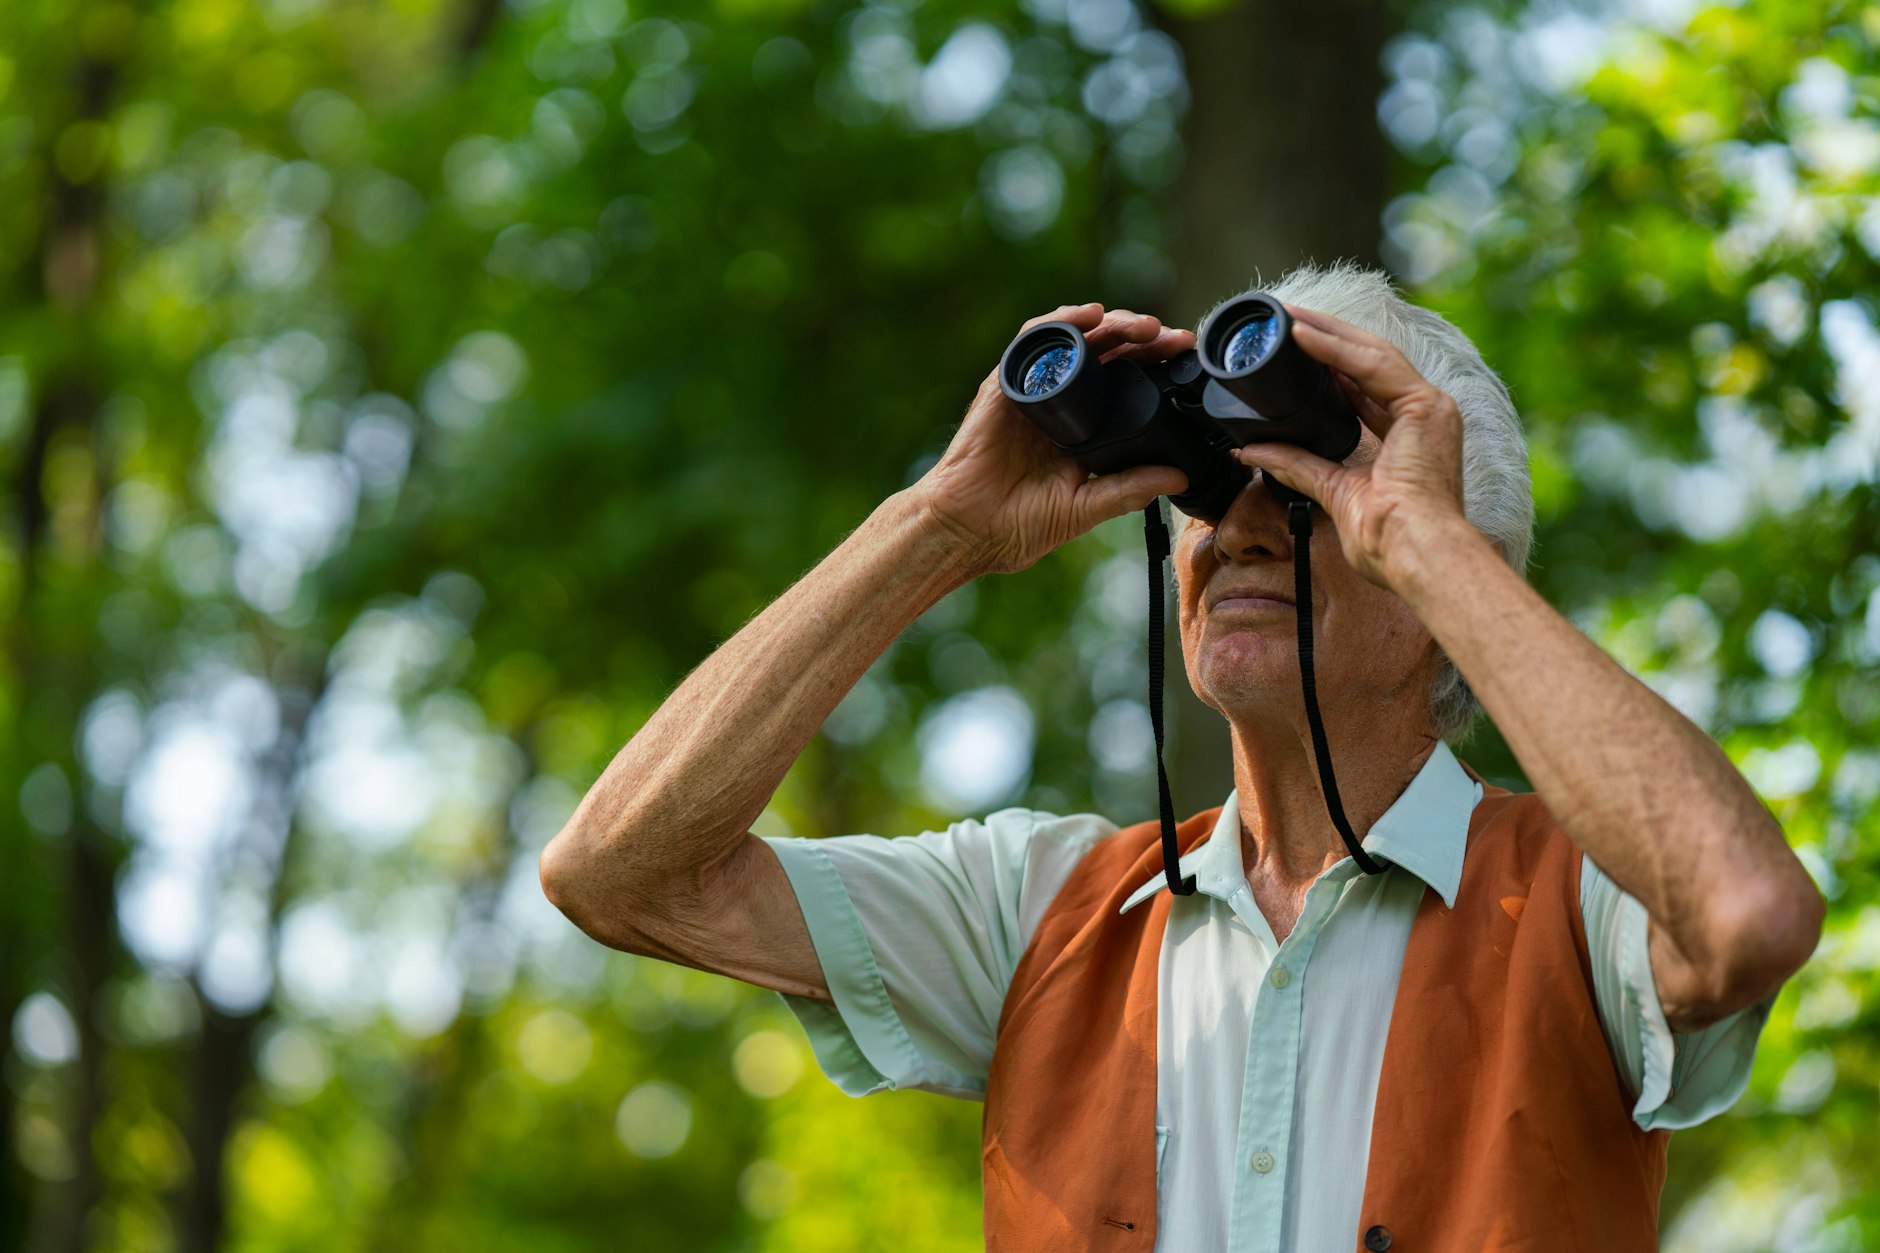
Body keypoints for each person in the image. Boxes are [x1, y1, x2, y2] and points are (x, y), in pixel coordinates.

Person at [538, 261, 1824, 1250]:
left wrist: (1424, 540)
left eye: (1307, 486)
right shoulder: (1040, 913)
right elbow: (619, 872)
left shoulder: (1582, 899)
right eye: (1208, 485)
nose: (1239, 531)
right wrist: (937, 523)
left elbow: (1746, 912)